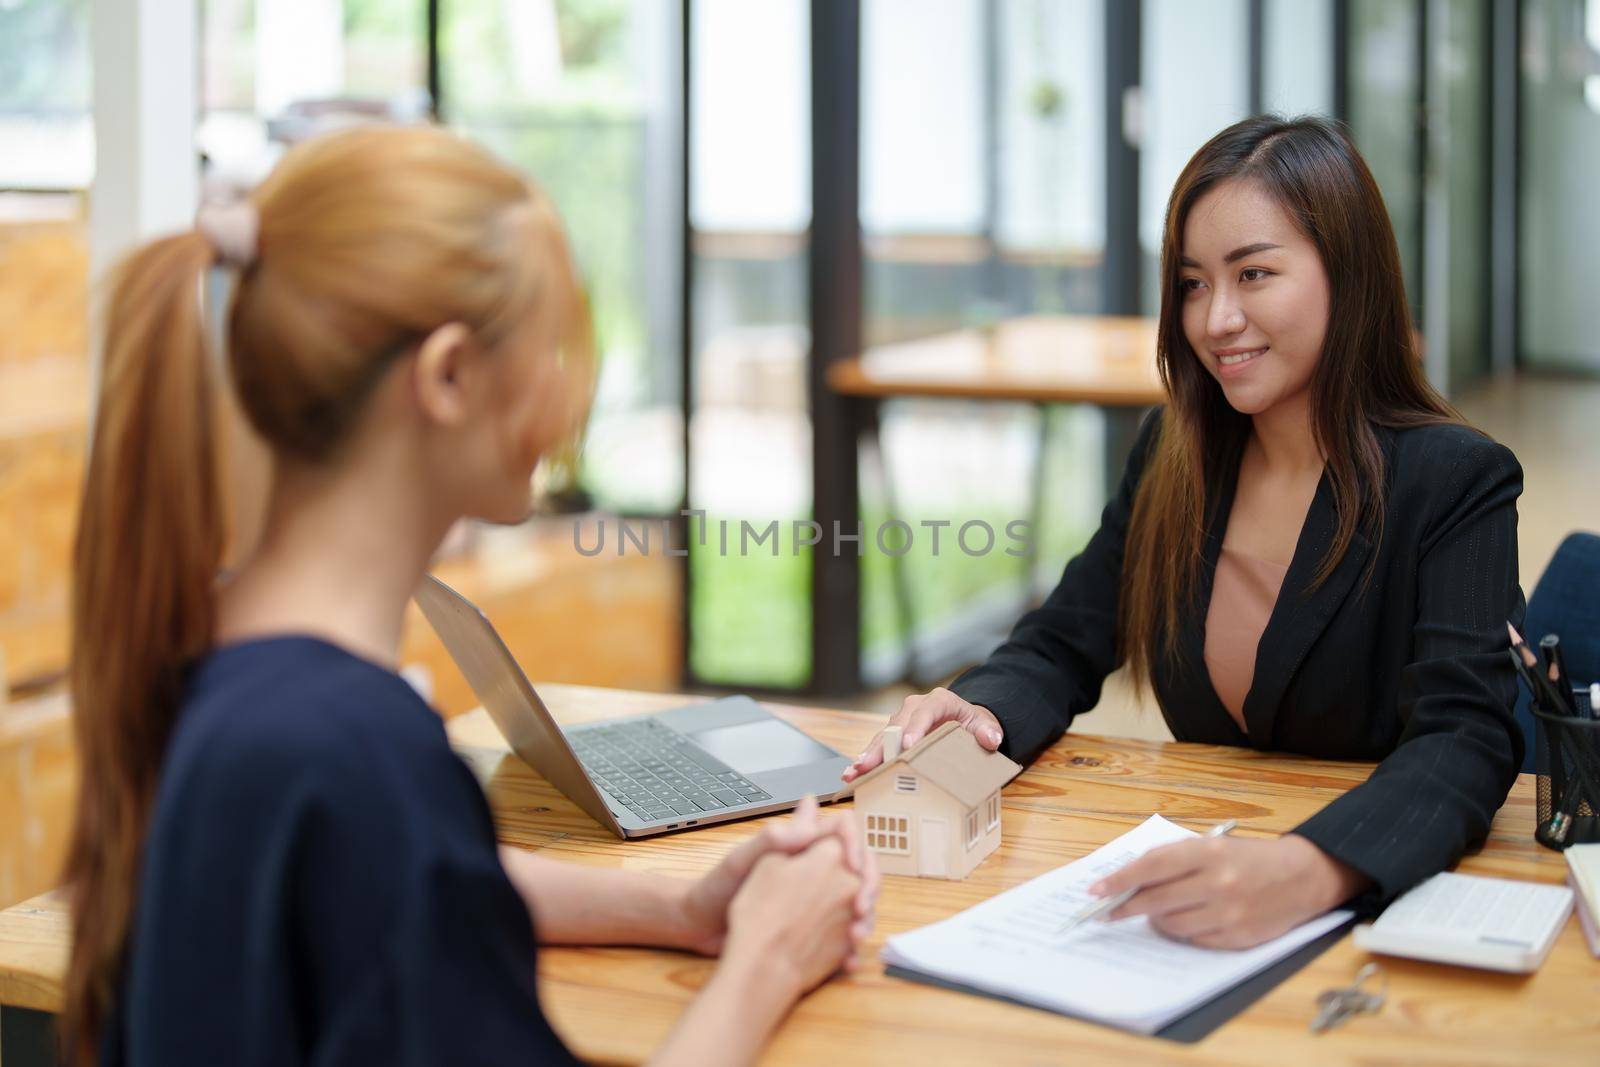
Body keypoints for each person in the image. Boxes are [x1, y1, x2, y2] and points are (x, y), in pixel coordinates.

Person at [62, 124, 878, 1067]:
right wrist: (767, 960)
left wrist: (681, 908)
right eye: (550, 349)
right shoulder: (361, 757)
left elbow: (394, 885)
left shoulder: (214, 661)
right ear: (448, 375)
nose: (566, 396)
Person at [843, 114, 1524, 949]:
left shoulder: (1455, 478)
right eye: (1194, 283)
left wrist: (1310, 869)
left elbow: (1468, 736)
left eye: (1255, 274)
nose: (1217, 319)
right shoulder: (1177, 452)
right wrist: (973, 715)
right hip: (1195, 894)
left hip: (1359, 910)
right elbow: (1064, 640)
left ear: (1348, 276)